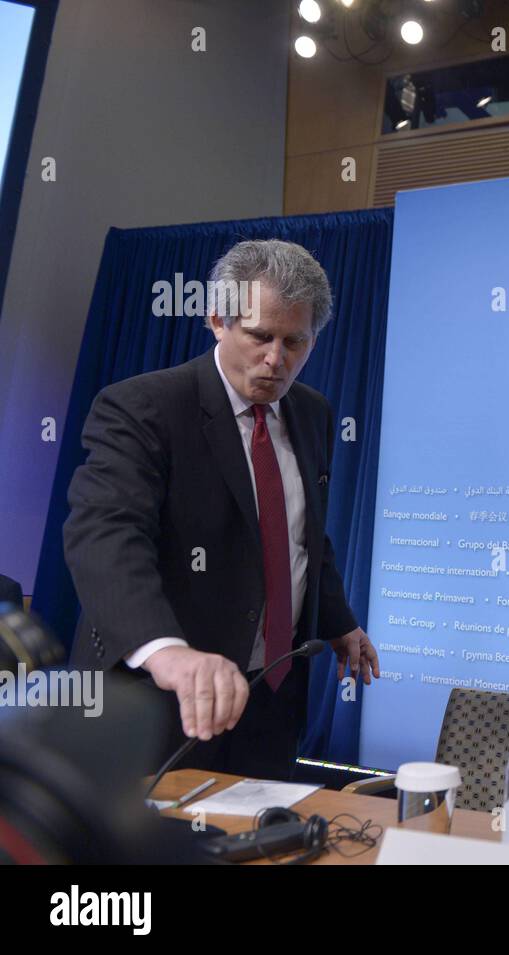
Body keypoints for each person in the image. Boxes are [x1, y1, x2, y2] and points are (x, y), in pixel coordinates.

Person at [64, 239, 379, 780]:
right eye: (259, 336)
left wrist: (338, 621)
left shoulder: (312, 412)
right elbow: (105, 538)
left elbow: (302, 535)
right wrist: (170, 654)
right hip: (156, 701)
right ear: (217, 319)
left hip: (271, 694)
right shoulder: (144, 408)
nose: (276, 360)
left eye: (295, 342)